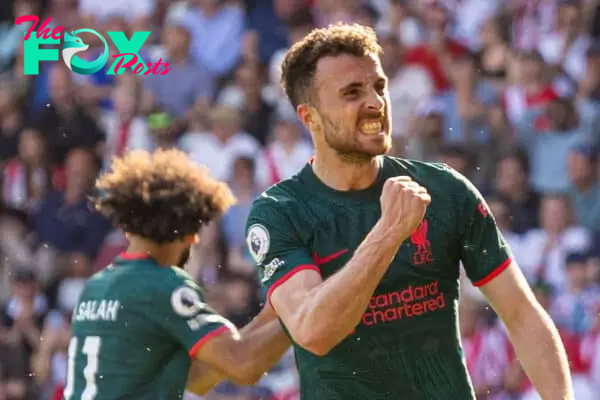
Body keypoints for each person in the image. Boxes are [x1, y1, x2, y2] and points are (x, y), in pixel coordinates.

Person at [245, 23, 573, 399]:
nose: (375, 102)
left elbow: (522, 314)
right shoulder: (279, 213)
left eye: (379, 87)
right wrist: (388, 232)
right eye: (352, 92)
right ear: (310, 118)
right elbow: (312, 332)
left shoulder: (444, 189)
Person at [63, 149, 289, 399]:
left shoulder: (95, 286)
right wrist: (304, 310)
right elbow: (242, 364)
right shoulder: (162, 284)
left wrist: (273, 313)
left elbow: (197, 377)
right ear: (187, 231)